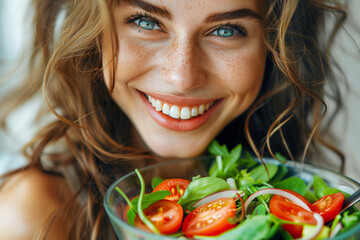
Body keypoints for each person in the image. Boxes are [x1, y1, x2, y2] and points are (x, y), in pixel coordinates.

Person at [0, 0, 350, 239]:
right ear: (93, 32)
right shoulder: (33, 212)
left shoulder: (296, 189)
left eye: (226, 30)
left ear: (275, 46)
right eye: (146, 22)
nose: (181, 78)